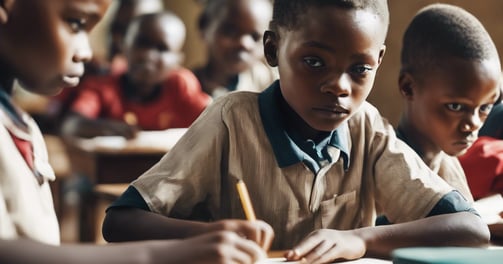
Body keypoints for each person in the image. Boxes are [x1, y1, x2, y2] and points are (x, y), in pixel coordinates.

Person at [103, 0, 490, 263]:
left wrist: (360, 240)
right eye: (314, 61)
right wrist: (205, 237)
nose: (339, 86)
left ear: (379, 62)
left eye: (359, 69)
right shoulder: (230, 121)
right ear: (272, 50)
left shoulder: (366, 127)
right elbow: (120, 221)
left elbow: (470, 229)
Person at [0, 1, 271, 263]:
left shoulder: (21, 124)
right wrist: (167, 253)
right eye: (76, 23)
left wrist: (196, 235)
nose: (86, 52)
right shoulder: (104, 86)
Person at [386, 3, 503, 243]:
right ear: (409, 87)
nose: (472, 124)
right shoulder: (383, 163)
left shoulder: (447, 162)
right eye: (456, 106)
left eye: (485, 108)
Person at [61, 11, 211, 139]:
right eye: (141, 43)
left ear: (177, 59)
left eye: (162, 48)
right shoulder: (103, 87)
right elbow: (71, 125)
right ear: (124, 46)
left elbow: (215, 121)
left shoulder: (180, 85)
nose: (148, 56)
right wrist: (115, 130)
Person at [192, 0, 278, 98]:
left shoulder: (270, 85)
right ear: (204, 26)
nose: (244, 43)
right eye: (230, 31)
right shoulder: (184, 86)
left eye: (255, 36)